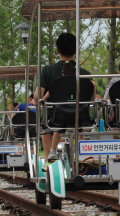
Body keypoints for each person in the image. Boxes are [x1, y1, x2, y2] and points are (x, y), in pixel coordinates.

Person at [34, 32, 96, 162]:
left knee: (45, 124)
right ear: (75, 51)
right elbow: (92, 95)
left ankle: (48, 159)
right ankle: (82, 157)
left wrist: (39, 101)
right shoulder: (84, 73)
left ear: (57, 50)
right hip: (81, 117)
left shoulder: (47, 70)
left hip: (56, 118)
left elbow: (37, 97)